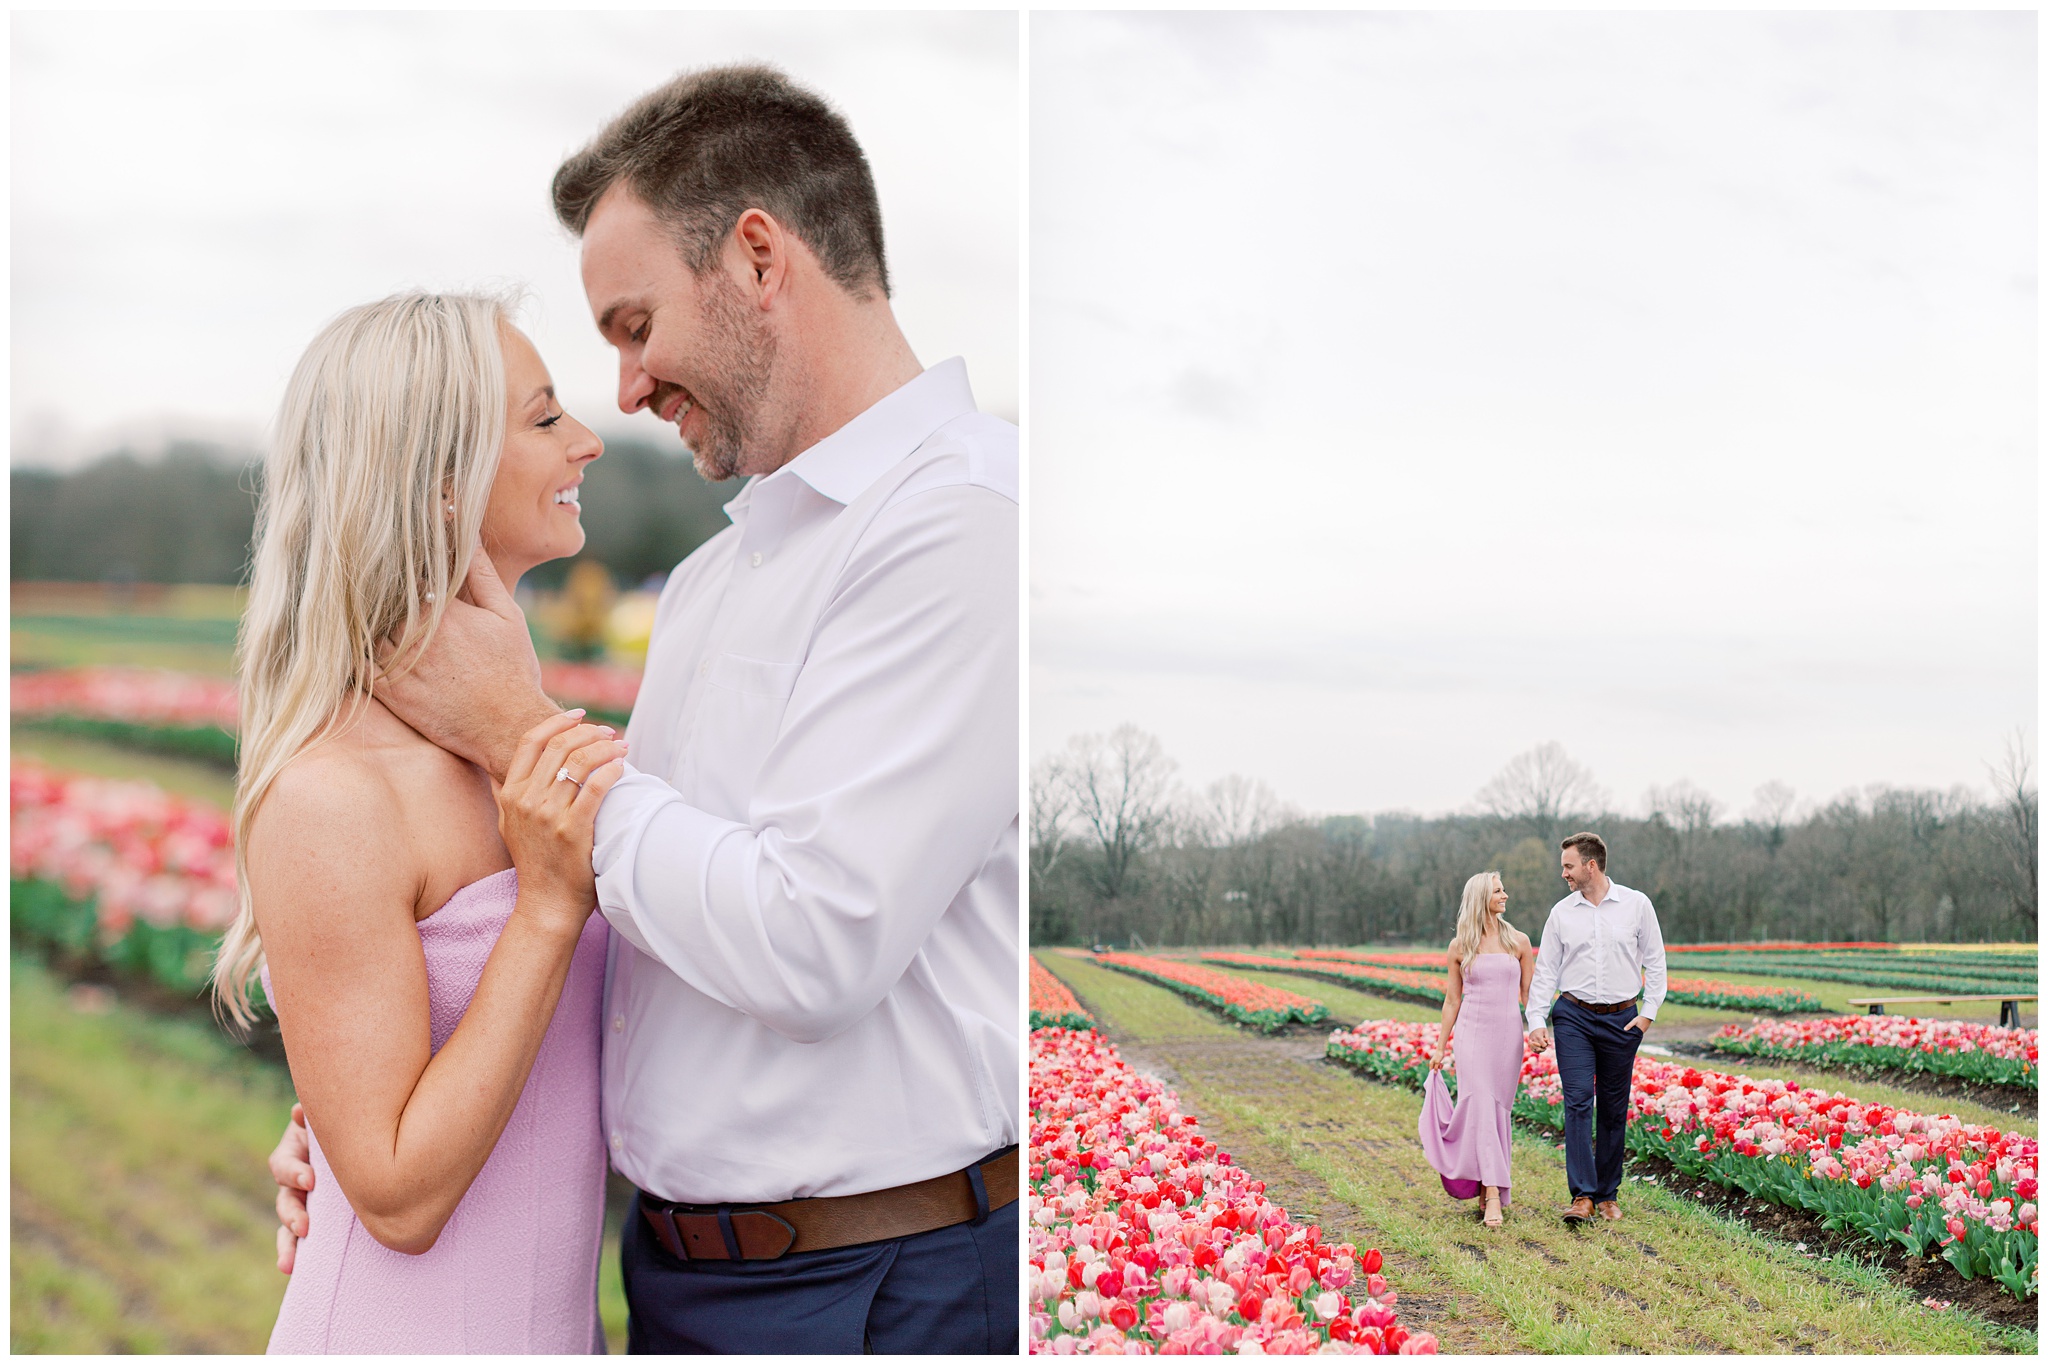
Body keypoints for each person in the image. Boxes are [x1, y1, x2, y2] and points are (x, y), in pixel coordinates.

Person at [270, 66, 1019, 1354]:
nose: (621, 396)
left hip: (866, 1278)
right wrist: (361, 1099)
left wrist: (516, 735)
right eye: (574, 377)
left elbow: (811, 939)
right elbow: (642, 920)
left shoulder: (959, 523)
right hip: (672, 1280)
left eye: (633, 324)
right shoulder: (726, 572)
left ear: (758, 258)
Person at [216, 292, 629, 1352]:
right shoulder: (333, 792)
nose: (585, 439)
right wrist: (544, 911)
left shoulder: (528, 753)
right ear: (440, 484)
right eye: (543, 419)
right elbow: (396, 1197)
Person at [1523, 832, 1667, 1225]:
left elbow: (1655, 961)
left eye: (1568, 866)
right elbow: (1546, 970)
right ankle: (1582, 1196)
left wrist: (1648, 1013)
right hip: (1574, 1016)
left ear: (1591, 865)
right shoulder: (1561, 913)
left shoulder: (1637, 905)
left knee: (1614, 1108)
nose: (1564, 874)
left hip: (1623, 1019)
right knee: (1578, 1100)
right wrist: (1536, 1019)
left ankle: (1607, 1195)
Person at [1417, 871, 1535, 1229]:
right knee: (1481, 1103)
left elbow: (1529, 996)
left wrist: (1540, 1030)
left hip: (1507, 1036)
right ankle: (1495, 1194)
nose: (1506, 895)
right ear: (1482, 897)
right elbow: (1452, 1000)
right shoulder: (1460, 946)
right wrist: (1440, 1046)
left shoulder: (1519, 941)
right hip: (1471, 1034)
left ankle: (1486, 1184)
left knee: (1496, 1110)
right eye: (1499, 890)